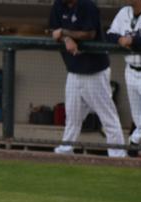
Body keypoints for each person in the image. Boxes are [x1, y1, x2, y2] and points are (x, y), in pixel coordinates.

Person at [49, 0, 127, 157]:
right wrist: (66, 39)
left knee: (107, 116)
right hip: (74, 71)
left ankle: (118, 154)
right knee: (72, 116)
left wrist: (64, 33)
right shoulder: (59, 5)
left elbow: (89, 34)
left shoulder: (87, 5)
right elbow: (54, 31)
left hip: (95, 71)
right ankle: (66, 149)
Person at [107, 0, 141, 159]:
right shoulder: (123, 13)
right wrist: (120, 39)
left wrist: (134, 41)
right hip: (130, 71)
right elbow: (110, 34)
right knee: (138, 118)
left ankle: (134, 139)